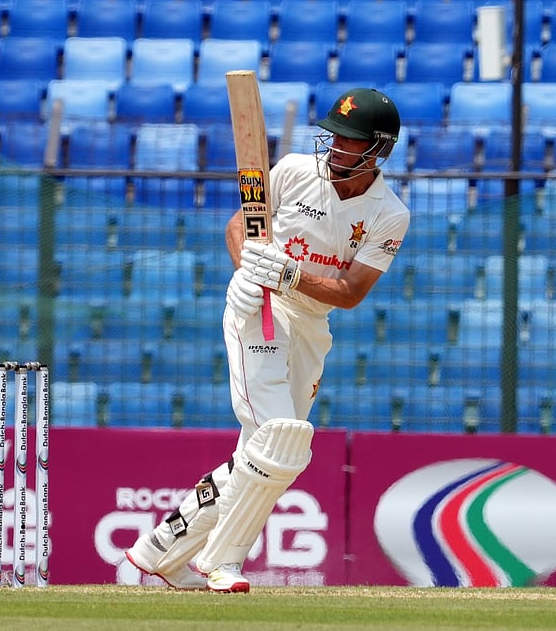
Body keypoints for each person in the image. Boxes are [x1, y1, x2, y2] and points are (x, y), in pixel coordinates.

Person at [125, 87, 407, 593]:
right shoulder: (295, 170)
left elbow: (350, 293)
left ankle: (158, 553)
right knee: (282, 436)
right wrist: (250, 265)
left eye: (349, 141)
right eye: (334, 136)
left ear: (378, 150)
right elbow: (240, 225)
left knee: (262, 452)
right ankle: (222, 562)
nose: (336, 147)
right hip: (257, 305)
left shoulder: (390, 214)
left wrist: (293, 276)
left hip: (308, 321)